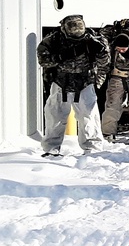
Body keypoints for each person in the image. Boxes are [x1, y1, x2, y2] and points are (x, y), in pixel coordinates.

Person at [37, 14, 110, 157]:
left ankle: (92, 149)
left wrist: (101, 53)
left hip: (85, 82)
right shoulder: (53, 40)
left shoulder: (94, 40)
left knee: (89, 117)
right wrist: (60, 56)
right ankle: (51, 148)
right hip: (60, 82)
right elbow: (43, 60)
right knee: (55, 117)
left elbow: (105, 63)